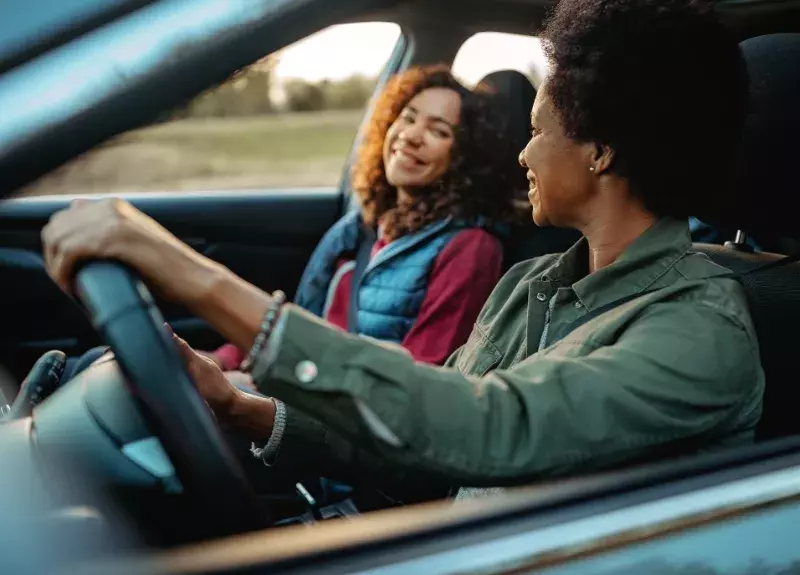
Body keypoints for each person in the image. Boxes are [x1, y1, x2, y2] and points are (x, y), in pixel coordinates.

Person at [41, 0, 763, 503]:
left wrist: (198, 280)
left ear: (603, 151)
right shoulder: (530, 284)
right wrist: (237, 405)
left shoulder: (699, 332)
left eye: (539, 130)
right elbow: (417, 440)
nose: (522, 153)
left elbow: (488, 425)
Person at [203, 66, 525, 376]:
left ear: (464, 158)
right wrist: (224, 359)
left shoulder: (471, 248)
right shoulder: (364, 226)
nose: (411, 136)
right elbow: (304, 319)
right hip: (306, 380)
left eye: (438, 131)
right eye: (408, 117)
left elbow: (422, 379)